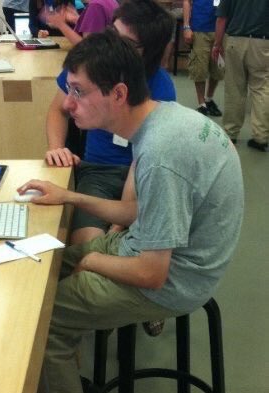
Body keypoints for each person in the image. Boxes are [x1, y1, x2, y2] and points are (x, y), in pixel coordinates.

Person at [17, 29, 244, 393]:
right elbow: (137, 213)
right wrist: (70, 197)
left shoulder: (160, 154)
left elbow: (151, 274)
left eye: (79, 91)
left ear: (118, 93)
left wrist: (93, 264)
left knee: (39, 322)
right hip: (152, 248)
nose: (68, 104)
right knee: (44, 265)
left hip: (172, 278)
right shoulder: (163, 119)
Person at [46, 0, 176, 246]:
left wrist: (118, 226)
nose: (113, 45)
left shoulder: (161, 88)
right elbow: (58, 110)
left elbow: (145, 158)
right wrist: (56, 148)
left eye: (125, 43)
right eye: (112, 33)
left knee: (118, 248)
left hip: (142, 177)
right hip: (98, 171)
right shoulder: (89, 67)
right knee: (87, 246)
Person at [212, 0, 269, 152]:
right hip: (263, 42)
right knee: (262, 88)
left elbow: (221, 18)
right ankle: (261, 137)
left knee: (235, 88)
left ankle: (231, 132)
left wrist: (217, 44)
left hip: (235, 40)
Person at [182, 0, 223, 116]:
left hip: (221, 28)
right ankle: (201, 104)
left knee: (218, 69)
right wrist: (186, 27)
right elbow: (187, 2)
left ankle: (209, 99)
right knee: (199, 68)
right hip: (200, 27)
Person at [44, 0, 118, 44]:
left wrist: (60, 24)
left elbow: (87, 47)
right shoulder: (111, 1)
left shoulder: (95, 6)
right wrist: (77, 19)